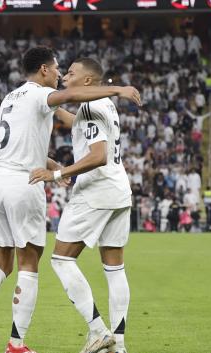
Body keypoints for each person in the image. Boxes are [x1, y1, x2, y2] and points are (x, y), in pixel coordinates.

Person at [0, 47, 141, 353]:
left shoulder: (9, 99)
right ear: (44, 70)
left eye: (67, 72)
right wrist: (118, 89)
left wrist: (55, 164)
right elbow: (67, 101)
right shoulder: (46, 95)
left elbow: (32, 134)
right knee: (31, 264)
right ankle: (18, 343)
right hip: (27, 183)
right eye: (59, 69)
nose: (61, 75)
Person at [29, 57, 135, 353]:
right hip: (118, 190)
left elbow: (98, 154)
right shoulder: (105, 106)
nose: (65, 76)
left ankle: (98, 331)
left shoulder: (89, 106)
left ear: (87, 81)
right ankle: (119, 345)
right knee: (114, 269)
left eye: (72, 73)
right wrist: (48, 108)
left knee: (61, 260)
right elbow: (78, 124)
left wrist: (57, 174)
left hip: (95, 191)